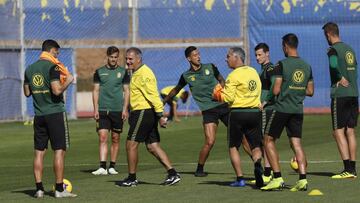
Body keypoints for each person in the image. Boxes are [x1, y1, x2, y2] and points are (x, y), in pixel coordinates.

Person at [163, 46, 232, 177]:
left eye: (199, 54)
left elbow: (222, 80)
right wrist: (164, 101)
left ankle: (260, 166)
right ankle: (199, 169)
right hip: (208, 111)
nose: (198, 57)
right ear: (189, 58)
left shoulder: (210, 67)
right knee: (210, 141)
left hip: (223, 106)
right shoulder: (186, 76)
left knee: (240, 135)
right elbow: (176, 90)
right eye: (195, 55)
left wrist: (220, 88)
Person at [119, 47, 180, 187]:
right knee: (153, 146)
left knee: (131, 144)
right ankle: (173, 174)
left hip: (143, 112)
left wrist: (160, 116)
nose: (127, 62)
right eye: (127, 59)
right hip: (141, 113)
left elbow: (153, 96)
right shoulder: (135, 72)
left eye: (131, 59)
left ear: (139, 59)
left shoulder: (144, 73)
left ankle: (132, 178)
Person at [23, 39, 77, 198]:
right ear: (52, 50)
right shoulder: (52, 67)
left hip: (39, 116)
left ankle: (39, 189)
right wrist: (68, 81)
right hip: (55, 114)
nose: (57, 56)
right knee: (59, 151)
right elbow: (56, 90)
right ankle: (59, 189)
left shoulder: (30, 68)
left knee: (39, 153)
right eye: (57, 53)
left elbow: (27, 93)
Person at [261, 33, 314, 191]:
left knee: (267, 140)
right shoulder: (306, 66)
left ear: (285, 46)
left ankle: (277, 178)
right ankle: (303, 179)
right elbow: (310, 91)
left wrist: (266, 100)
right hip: (297, 109)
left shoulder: (281, 65)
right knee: (296, 143)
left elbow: (276, 89)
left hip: (282, 108)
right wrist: (295, 89)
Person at [213, 47, 264, 188]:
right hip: (254, 112)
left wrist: (217, 95)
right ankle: (258, 164)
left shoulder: (233, 76)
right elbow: (258, 90)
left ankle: (240, 179)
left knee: (233, 146)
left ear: (236, 57)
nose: (226, 59)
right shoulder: (253, 71)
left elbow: (228, 98)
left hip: (238, 113)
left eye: (228, 56)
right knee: (255, 145)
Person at [322, 22, 358, 178]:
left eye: (326, 36)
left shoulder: (332, 49)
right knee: (350, 131)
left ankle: (347, 169)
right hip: (353, 93)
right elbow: (355, 68)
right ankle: (353, 169)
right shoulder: (350, 49)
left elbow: (333, 64)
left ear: (329, 34)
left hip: (340, 94)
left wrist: (339, 77)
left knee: (338, 131)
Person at [92, 46, 130, 175]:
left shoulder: (123, 72)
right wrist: (95, 109)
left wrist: (125, 109)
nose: (113, 59)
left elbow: (127, 91)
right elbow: (96, 91)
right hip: (102, 110)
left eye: (115, 57)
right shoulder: (99, 72)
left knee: (115, 138)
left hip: (117, 110)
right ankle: (102, 167)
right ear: (107, 57)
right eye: (111, 57)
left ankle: (112, 166)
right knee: (103, 137)